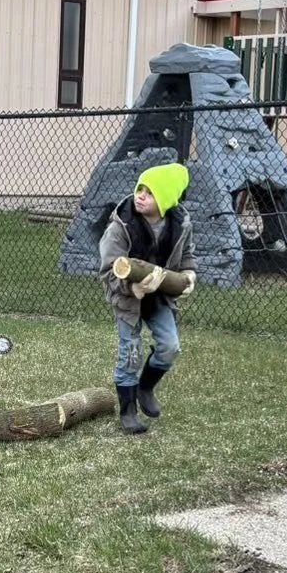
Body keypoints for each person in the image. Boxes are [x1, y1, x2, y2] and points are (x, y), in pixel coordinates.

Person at [97, 162, 194, 435]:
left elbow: (188, 254)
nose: (140, 196)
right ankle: (128, 411)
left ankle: (145, 387)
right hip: (129, 299)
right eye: (140, 188)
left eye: (150, 192)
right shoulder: (121, 226)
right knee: (131, 353)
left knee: (170, 347)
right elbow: (107, 271)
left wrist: (189, 274)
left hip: (160, 298)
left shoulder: (180, 224)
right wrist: (134, 289)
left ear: (166, 199)